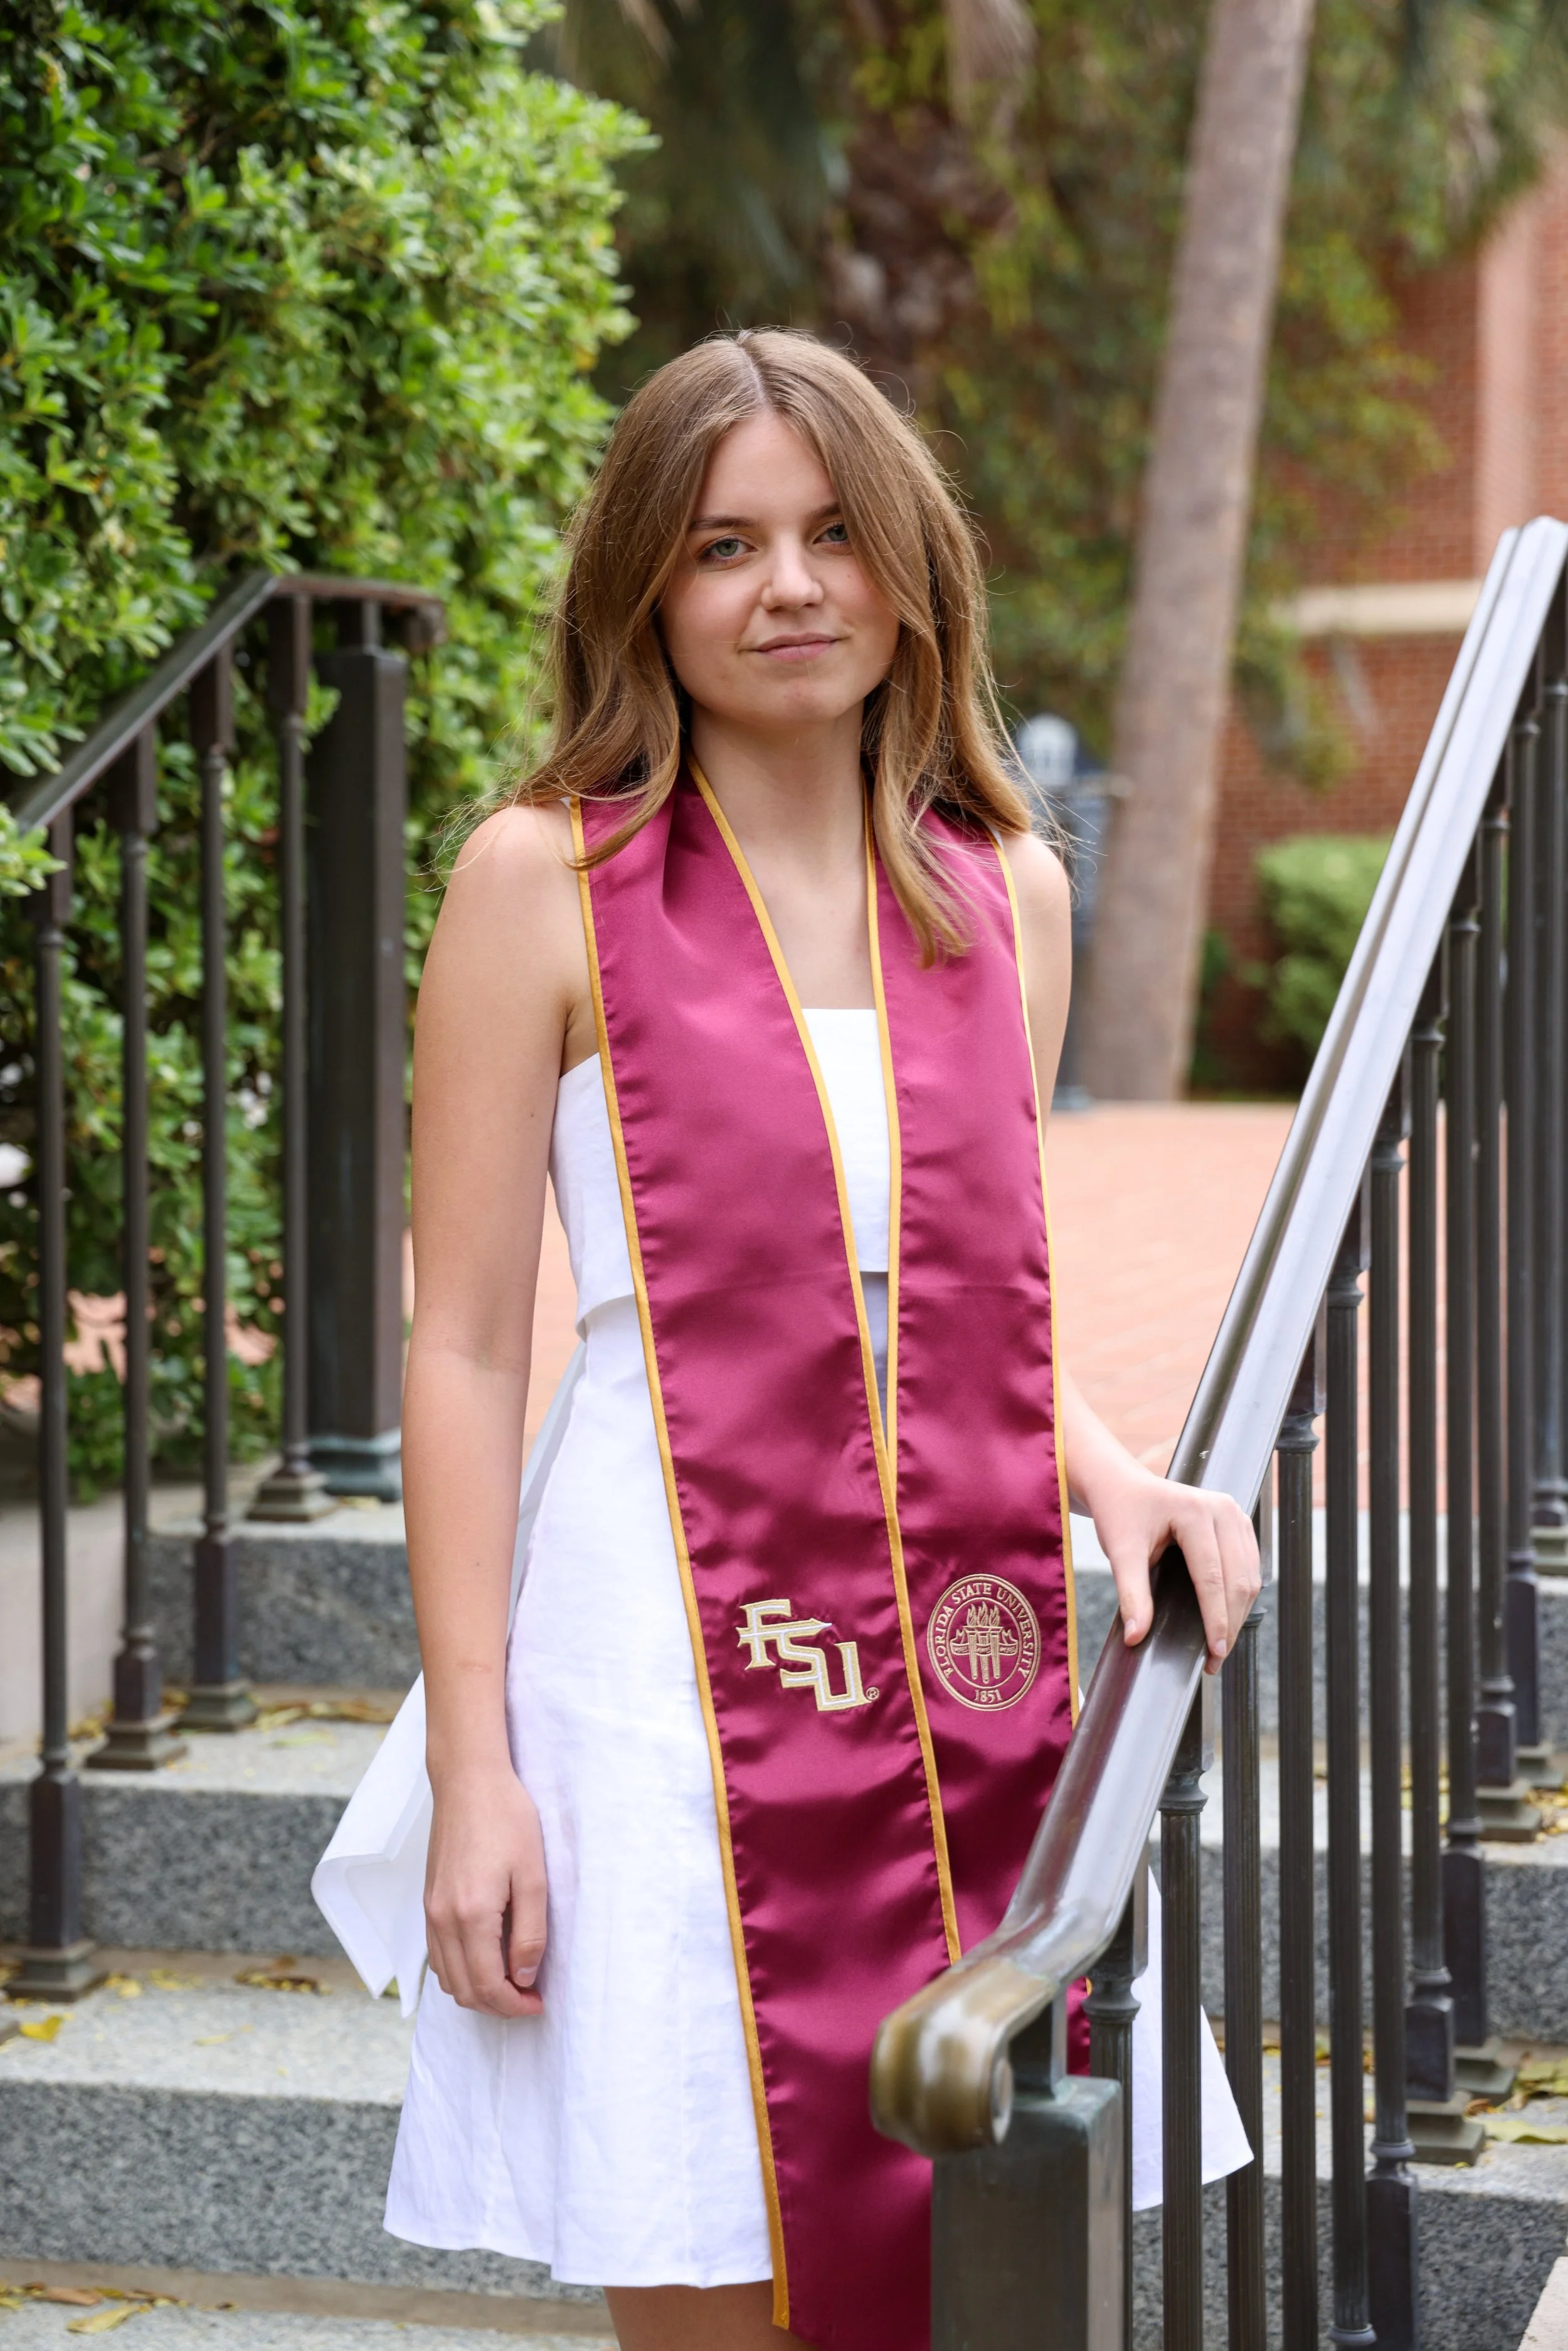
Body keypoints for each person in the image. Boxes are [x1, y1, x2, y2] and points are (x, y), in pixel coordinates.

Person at [383, 329, 1259, 2351]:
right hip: (658, 1641)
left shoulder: (998, 892)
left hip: (964, 1645)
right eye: (723, 545)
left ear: (905, 567)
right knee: (703, 2220)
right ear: (645, 593)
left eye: (834, 533)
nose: (790, 585)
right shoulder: (539, 885)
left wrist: (1113, 1477)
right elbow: (463, 1349)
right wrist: (475, 1766)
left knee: (982, 2250)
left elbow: (960, 1301)